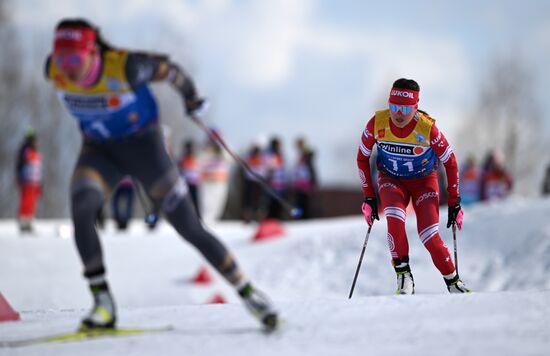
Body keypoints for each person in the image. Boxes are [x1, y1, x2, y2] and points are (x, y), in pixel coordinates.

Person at [44, 18, 277, 330]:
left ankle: (249, 294)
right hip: (100, 152)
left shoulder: (126, 67)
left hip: (144, 149)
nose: (67, 68)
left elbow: (172, 71)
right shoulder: (53, 70)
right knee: (82, 207)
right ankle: (102, 302)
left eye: (74, 59)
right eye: (62, 59)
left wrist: (191, 99)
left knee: (189, 227)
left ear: (93, 52)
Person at [357, 78, 470, 294]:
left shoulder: (428, 129)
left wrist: (455, 202)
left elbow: (451, 162)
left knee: (428, 234)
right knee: (394, 217)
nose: (398, 114)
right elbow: (362, 158)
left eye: (405, 108)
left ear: (415, 107)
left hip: (423, 182)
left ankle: (453, 282)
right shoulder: (376, 123)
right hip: (391, 179)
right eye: (394, 107)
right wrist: (369, 197)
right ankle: (403, 275)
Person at [15, 129, 43, 233]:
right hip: (26, 180)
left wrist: (40, 182)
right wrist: (19, 177)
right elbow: (19, 165)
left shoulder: (36, 151)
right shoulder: (24, 151)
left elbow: (38, 168)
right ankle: (23, 222)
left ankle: (29, 221)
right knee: (26, 201)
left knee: (32, 202)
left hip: (35, 182)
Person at [292, 137, 317, 219]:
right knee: (299, 202)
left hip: (306, 182)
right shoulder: (299, 155)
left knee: (305, 201)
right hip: (299, 183)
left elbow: (310, 165)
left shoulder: (306, 154)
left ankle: (305, 217)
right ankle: (300, 217)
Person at [242, 143, 267, 222]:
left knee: (259, 201)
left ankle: (259, 218)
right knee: (248, 200)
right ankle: (247, 218)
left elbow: (266, 168)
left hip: (259, 181)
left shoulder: (263, 158)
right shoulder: (249, 157)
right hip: (250, 181)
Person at [264, 137, 287, 219]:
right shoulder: (269, 154)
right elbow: (268, 167)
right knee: (271, 204)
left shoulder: (280, 154)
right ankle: (270, 219)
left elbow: (282, 168)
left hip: (280, 183)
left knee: (278, 204)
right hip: (272, 183)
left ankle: (277, 219)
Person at [178, 140, 202, 217]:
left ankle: (197, 216)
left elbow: (199, 170)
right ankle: (185, 216)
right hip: (185, 183)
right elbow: (179, 170)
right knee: (185, 201)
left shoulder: (196, 158)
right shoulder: (182, 159)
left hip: (194, 183)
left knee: (195, 200)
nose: (189, 150)